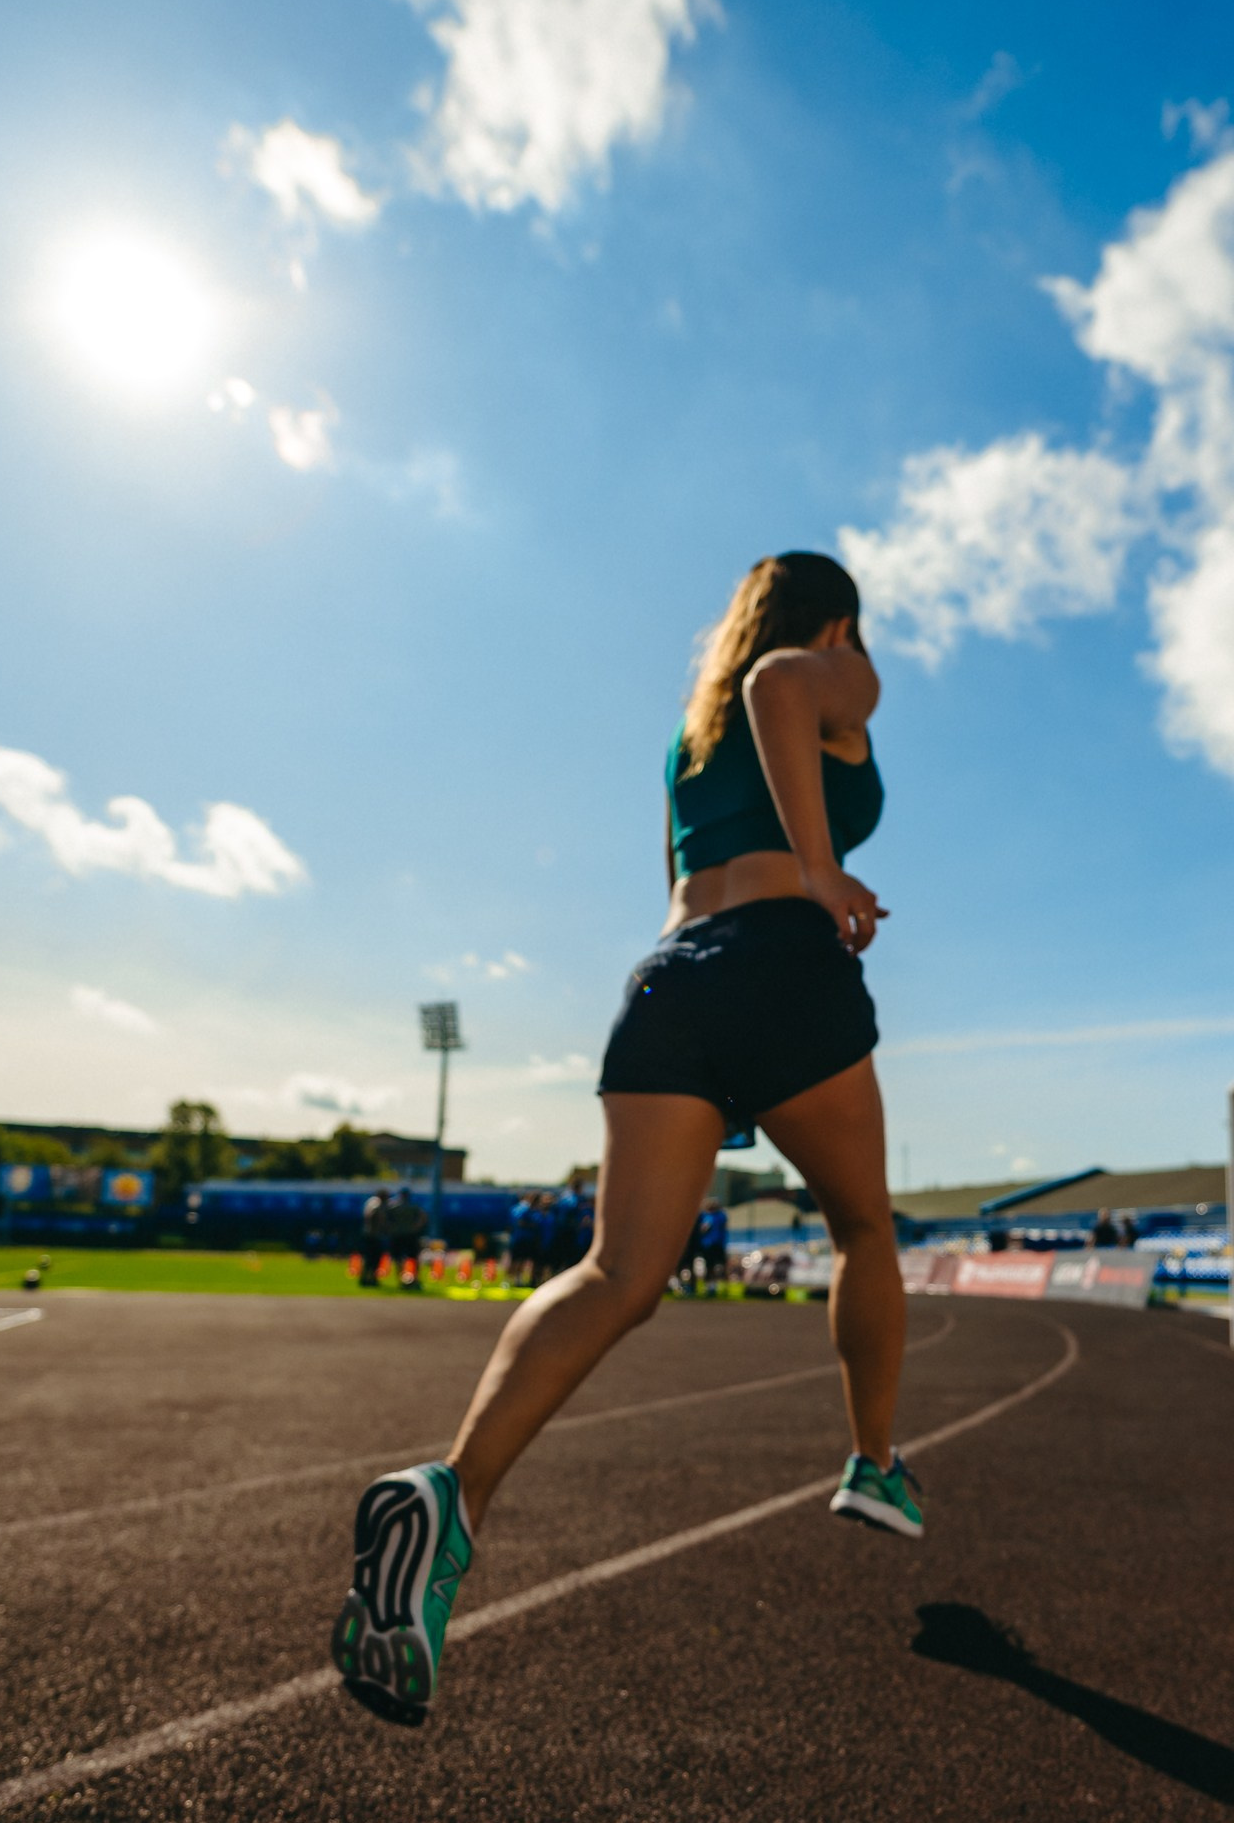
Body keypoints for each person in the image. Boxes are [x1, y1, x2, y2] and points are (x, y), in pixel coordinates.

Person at [333, 549, 917, 1727]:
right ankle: (874, 1465)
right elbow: (782, 693)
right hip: (780, 970)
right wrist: (819, 869)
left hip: (666, 986)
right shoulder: (829, 669)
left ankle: (453, 1495)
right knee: (861, 1223)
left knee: (613, 1273)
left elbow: (674, 876)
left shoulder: (682, 741)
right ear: (835, 620)